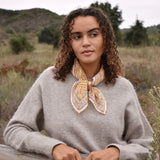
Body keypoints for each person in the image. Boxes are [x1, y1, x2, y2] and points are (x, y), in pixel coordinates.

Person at [3, 7, 157, 160]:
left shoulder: (123, 88)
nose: (85, 43)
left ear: (106, 39)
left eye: (94, 34)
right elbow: (14, 130)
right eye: (77, 37)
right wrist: (53, 147)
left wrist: (117, 152)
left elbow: (146, 145)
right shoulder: (50, 79)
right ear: (69, 43)